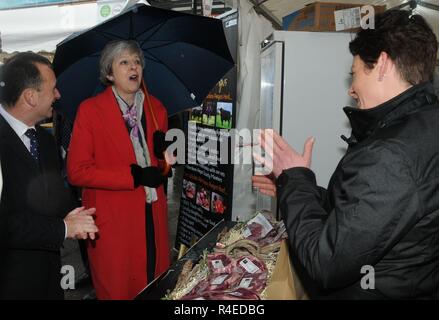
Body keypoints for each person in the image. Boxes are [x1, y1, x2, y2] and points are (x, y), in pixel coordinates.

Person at [252, 10, 439, 299]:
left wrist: (296, 181)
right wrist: (294, 187)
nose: (351, 89)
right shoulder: (425, 124)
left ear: (383, 65)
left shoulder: (390, 154)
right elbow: (367, 214)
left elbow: (326, 262)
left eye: (354, 73)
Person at [67, 40, 171, 300]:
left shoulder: (156, 109)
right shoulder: (90, 111)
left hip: (152, 218)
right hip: (114, 223)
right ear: (110, 73)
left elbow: (161, 169)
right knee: (118, 290)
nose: (133, 67)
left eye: (136, 61)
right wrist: (133, 176)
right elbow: (77, 171)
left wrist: (163, 161)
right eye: (124, 62)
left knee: (155, 285)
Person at [0, 52, 98, 299]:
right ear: (30, 97)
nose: (58, 95)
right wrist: (64, 228)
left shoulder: (43, 139)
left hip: (50, 277)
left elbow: (49, 192)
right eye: (53, 88)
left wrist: (71, 212)